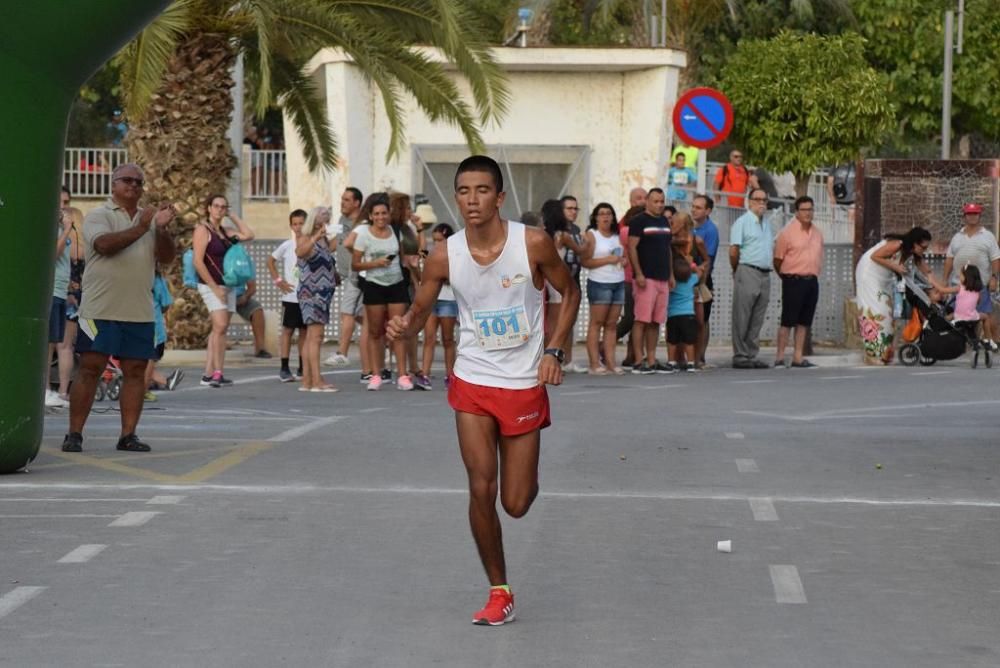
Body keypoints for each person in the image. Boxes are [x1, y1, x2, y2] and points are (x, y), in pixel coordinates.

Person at [386, 155, 580, 626]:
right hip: (472, 378)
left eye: (482, 191)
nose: (472, 201)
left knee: (515, 502)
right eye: (464, 192)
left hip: (523, 382)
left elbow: (569, 292)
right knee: (480, 487)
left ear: (499, 196)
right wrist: (404, 326)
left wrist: (553, 351)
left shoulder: (531, 243)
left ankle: (526, 479)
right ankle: (499, 590)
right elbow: (419, 310)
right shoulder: (444, 254)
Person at [62, 163, 177, 453]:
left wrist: (160, 229)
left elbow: (166, 256)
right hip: (100, 308)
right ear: (113, 185)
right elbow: (104, 246)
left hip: (138, 309)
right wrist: (142, 226)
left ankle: (128, 435)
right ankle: (74, 433)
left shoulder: (149, 219)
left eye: (139, 182)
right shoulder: (100, 215)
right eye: (127, 180)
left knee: (136, 371)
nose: (134, 186)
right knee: (91, 368)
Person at [192, 194, 254, 388]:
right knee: (220, 326)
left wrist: (233, 215)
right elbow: (198, 261)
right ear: (208, 208)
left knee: (219, 329)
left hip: (228, 284)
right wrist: (213, 287)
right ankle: (218, 372)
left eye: (223, 207)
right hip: (211, 284)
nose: (220, 210)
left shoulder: (226, 232)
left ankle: (209, 374)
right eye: (216, 206)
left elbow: (249, 235)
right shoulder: (203, 230)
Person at [854, 227, 939, 365]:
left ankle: (883, 354)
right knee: (877, 312)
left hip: (883, 278)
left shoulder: (914, 254)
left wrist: (940, 288)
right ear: (914, 243)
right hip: (869, 274)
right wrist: (896, 267)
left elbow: (928, 272)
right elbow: (874, 256)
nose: (924, 250)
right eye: (923, 247)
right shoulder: (897, 244)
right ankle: (874, 355)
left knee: (888, 313)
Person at [352, 193, 411, 390]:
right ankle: (376, 374)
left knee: (398, 330)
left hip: (396, 284)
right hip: (374, 284)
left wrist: (416, 270)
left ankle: (403, 375)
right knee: (375, 332)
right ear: (371, 215)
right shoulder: (363, 235)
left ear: (388, 214)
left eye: (384, 213)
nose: (380, 217)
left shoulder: (396, 231)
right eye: (376, 214)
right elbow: (355, 265)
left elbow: (405, 257)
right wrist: (375, 263)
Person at [626, 188, 674, 374]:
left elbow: (667, 249)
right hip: (646, 278)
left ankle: (652, 358)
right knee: (641, 320)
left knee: (656, 321)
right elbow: (632, 248)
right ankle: (638, 360)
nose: (660, 204)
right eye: (656, 201)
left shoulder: (664, 221)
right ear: (647, 201)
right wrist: (638, 273)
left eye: (662, 201)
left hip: (662, 277)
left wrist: (670, 274)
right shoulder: (639, 221)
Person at [773, 196, 824, 368]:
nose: (808, 213)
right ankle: (780, 357)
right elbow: (778, 259)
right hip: (793, 279)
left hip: (811, 280)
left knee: (804, 321)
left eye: (810, 209)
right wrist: (786, 276)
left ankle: (797, 356)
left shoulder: (817, 233)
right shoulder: (787, 233)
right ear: (796, 212)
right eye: (804, 210)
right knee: (788, 320)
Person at [942, 203, 1000, 350]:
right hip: (959, 286)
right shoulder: (957, 237)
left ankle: (991, 342)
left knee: (984, 315)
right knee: (959, 315)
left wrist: (994, 277)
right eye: (969, 214)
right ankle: (961, 345)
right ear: (964, 216)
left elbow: (995, 259)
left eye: (975, 214)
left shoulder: (988, 236)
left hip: (980, 286)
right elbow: (949, 259)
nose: (972, 216)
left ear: (979, 216)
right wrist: (944, 280)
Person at [729, 188, 775, 369]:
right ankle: (740, 355)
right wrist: (736, 270)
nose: (761, 203)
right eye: (757, 199)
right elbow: (734, 250)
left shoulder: (767, 224)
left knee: (757, 316)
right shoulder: (742, 222)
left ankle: (750, 354)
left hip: (765, 273)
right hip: (748, 269)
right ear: (749, 201)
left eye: (764, 200)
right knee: (742, 315)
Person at [296, 207, 338, 392]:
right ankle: (316, 381)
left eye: (327, 221)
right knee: (316, 337)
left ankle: (307, 380)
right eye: (322, 221)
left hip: (323, 292)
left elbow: (327, 259)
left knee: (311, 337)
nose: (324, 225)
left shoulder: (324, 241)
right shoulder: (307, 238)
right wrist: (315, 237)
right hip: (313, 293)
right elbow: (300, 252)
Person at [581, 202, 626, 374]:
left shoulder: (617, 236)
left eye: (609, 213)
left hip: (618, 280)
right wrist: (608, 260)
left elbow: (623, 256)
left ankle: (611, 362)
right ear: (596, 217)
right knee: (596, 322)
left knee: (612, 324)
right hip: (600, 282)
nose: (606, 217)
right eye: (602, 214)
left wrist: (623, 261)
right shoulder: (592, 235)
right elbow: (585, 261)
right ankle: (594, 363)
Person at [390, 192, 428, 388]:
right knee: (401, 326)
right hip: (402, 280)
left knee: (411, 326)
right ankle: (400, 368)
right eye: (406, 207)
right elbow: (403, 257)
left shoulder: (407, 228)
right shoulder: (393, 230)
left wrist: (420, 229)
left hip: (412, 279)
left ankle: (413, 366)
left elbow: (421, 252)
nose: (409, 211)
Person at [326, 187, 367, 367]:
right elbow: (338, 241)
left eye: (346, 200)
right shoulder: (342, 220)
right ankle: (384, 342)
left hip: (357, 274)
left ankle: (342, 353)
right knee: (361, 316)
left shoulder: (363, 224)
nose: (342, 203)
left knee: (347, 312)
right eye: (342, 199)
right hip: (346, 275)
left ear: (357, 203)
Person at [268, 209, 307, 382]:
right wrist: (279, 281)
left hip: (307, 296)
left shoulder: (311, 244)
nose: (298, 227)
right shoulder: (287, 245)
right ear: (291, 226)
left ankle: (303, 366)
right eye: (295, 224)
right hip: (291, 296)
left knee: (305, 331)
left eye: (301, 223)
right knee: (287, 330)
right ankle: (284, 367)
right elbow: (270, 260)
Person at [419, 223, 459, 387]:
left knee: (448, 339)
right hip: (432, 299)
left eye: (439, 240)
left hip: (448, 299)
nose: (436, 244)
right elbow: (424, 277)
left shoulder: (455, 255)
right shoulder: (431, 256)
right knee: (429, 338)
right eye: (434, 240)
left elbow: (453, 279)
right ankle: (425, 375)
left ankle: (450, 375)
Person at [669, 211, 709, 369]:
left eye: (676, 222)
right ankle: (678, 358)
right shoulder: (670, 241)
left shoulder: (696, 240)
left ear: (684, 224)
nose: (673, 225)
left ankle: (696, 358)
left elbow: (706, 260)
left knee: (698, 322)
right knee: (675, 321)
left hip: (694, 283)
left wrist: (701, 274)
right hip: (676, 284)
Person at [45, 194, 74, 408]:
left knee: (56, 343)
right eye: (60, 202)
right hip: (51, 290)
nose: (64, 207)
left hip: (62, 291)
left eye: (66, 202)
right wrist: (66, 230)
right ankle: (44, 390)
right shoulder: (51, 228)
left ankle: (54, 391)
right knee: (47, 345)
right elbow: (52, 254)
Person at [558, 195, 586, 372]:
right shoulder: (558, 230)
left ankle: (568, 360)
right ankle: (554, 356)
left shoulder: (576, 229)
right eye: (569, 208)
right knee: (557, 321)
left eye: (576, 208)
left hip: (574, 278)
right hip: (559, 280)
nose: (573, 212)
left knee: (570, 320)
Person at [691, 194, 719, 367]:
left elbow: (708, 259)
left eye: (699, 207)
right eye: (693, 206)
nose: (694, 210)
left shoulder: (710, 230)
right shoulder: (690, 228)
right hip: (689, 278)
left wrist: (702, 283)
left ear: (708, 211)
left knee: (703, 319)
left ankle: (700, 356)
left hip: (702, 279)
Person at [616, 204, 644, 367]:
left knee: (637, 320)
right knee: (629, 318)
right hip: (627, 279)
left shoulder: (626, 231)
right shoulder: (627, 232)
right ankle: (604, 345)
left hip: (636, 279)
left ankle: (631, 354)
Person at [666, 254, 701, 372]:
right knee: (689, 341)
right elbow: (700, 273)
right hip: (688, 314)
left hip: (673, 315)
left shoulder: (671, 284)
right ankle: (691, 362)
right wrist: (692, 265)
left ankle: (671, 361)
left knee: (672, 340)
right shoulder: (691, 280)